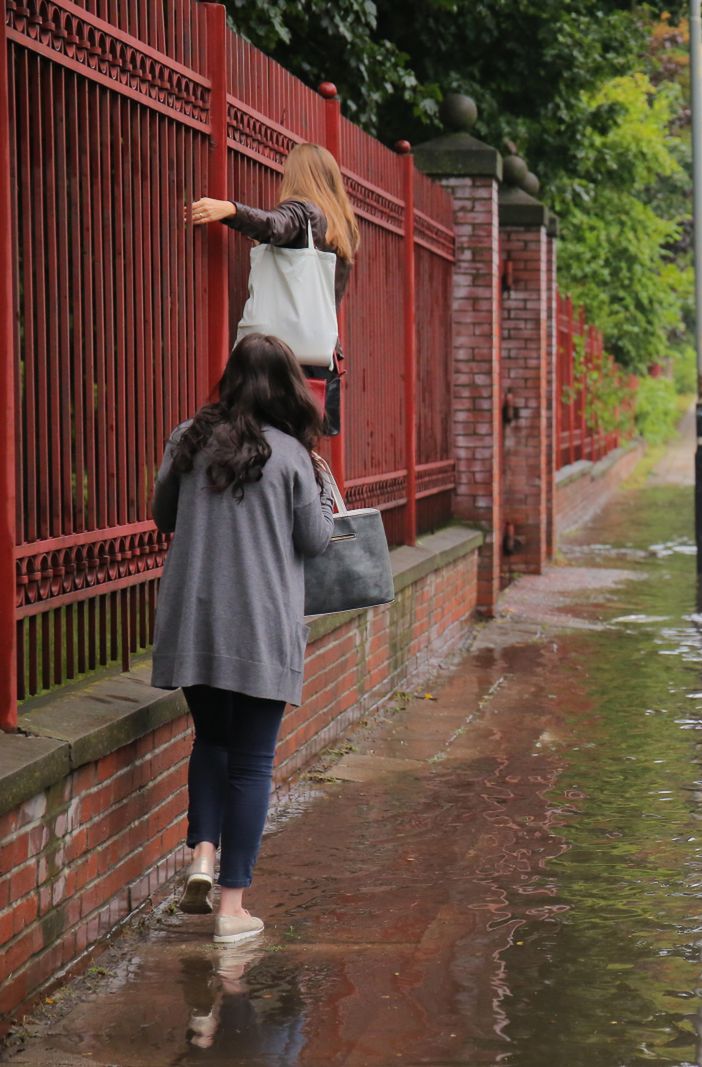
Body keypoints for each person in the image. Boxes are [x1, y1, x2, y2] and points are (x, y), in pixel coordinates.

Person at [151, 333, 336, 944]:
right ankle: (232, 911)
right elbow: (314, 542)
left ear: (230, 380)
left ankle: (202, 855)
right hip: (261, 625)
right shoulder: (291, 455)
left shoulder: (188, 439)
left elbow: (164, 516)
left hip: (195, 621)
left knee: (210, 740)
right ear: (286, 387)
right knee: (253, 763)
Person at [186, 142, 359, 434]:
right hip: (318, 356)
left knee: (263, 438)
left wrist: (229, 209)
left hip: (278, 357)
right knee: (301, 446)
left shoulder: (303, 211)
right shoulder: (340, 228)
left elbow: (273, 225)